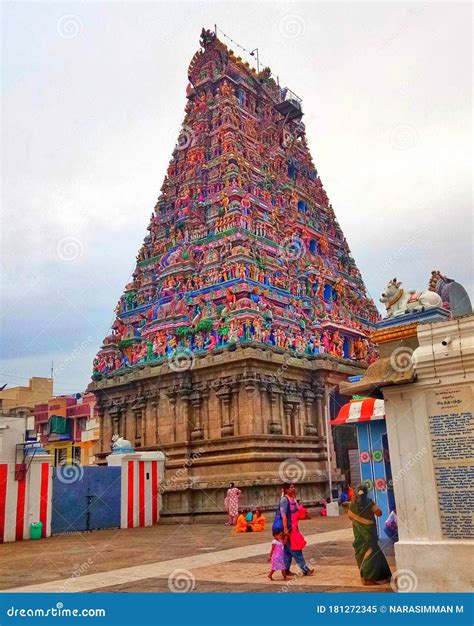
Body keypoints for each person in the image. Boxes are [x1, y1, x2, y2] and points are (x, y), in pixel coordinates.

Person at [347, 483, 392, 585]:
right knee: (372, 552)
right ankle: (369, 578)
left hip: (359, 533)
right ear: (366, 492)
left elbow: (350, 517)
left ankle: (366, 577)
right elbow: (379, 513)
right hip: (370, 532)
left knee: (362, 552)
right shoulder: (369, 502)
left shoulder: (352, 504)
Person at [280, 483, 314, 577]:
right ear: (286, 490)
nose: (293, 489)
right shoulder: (284, 500)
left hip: (294, 528)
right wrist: (286, 529)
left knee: (288, 551)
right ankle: (305, 570)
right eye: (291, 487)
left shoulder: (293, 499)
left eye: (293, 487)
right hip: (289, 530)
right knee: (296, 550)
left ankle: (286, 569)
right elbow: (283, 516)